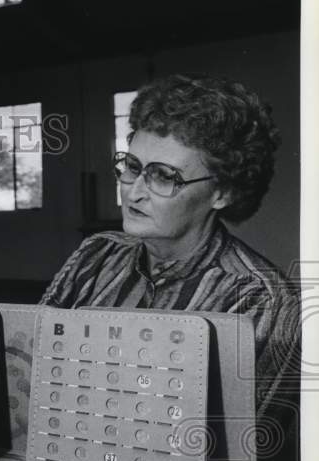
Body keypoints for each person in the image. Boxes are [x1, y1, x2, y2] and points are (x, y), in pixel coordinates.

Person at [40, 73, 299, 416]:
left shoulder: (262, 300)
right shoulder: (95, 255)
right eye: (132, 167)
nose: (133, 192)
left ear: (223, 192)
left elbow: (236, 453)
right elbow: (35, 365)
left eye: (164, 176)